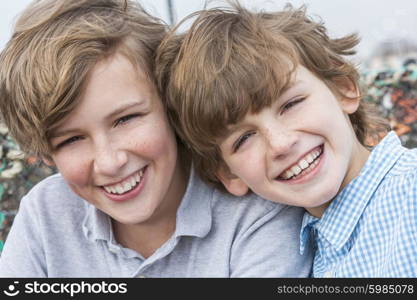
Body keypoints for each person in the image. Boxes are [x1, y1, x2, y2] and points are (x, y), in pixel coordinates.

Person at [0, 0, 313, 277]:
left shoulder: (256, 209)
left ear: (169, 102)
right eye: (71, 140)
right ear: (47, 153)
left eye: (126, 119)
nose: (110, 162)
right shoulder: (44, 217)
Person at [156, 2, 417, 277]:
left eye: (291, 104)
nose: (280, 144)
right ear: (228, 173)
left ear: (343, 88)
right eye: (244, 138)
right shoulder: (295, 249)